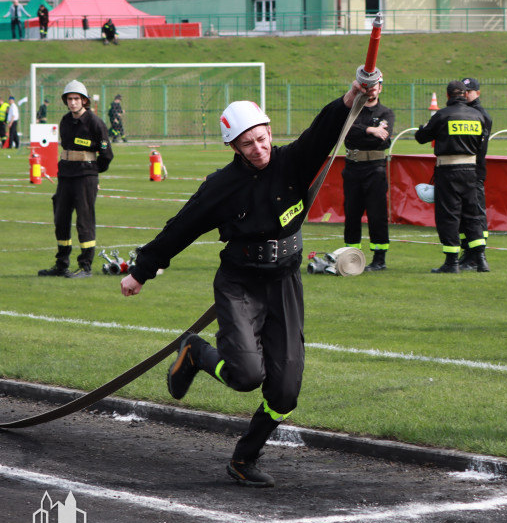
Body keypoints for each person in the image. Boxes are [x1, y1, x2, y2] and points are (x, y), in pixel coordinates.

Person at [119, 78, 376, 488]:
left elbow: (325, 128)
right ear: (234, 147)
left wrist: (355, 96)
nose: (259, 149)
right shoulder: (220, 187)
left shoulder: (294, 161)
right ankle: (196, 351)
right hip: (240, 286)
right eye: (248, 144)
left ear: (270, 132)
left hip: (285, 284)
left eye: (262, 138)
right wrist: (140, 271)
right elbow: (180, 228)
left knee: (285, 393)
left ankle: (244, 460)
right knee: (244, 375)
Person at [37, 80, 113, 278]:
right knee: (61, 219)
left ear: (84, 101)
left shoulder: (95, 123)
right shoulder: (65, 121)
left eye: (76, 99)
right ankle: (61, 263)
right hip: (66, 176)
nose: (72, 103)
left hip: (85, 177)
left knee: (84, 220)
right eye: (69, 99)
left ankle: (85, 266)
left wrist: (93, 173)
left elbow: (106, 155)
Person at [415, 81, 488, 274]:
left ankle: (451, 261)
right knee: (472, 214)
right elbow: (482, 145)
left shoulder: (443, 115)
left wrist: (424, 128)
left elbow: (422, 137)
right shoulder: (477, 115)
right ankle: (480, 259)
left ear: (447, 96)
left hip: (448, 170)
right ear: (465, 95)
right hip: (471, 170)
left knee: (449, 215)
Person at [341, 73, 394, 271]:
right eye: (367, 85)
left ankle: (379, 258)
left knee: (376, 214)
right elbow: (345, 129)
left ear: (380, 87)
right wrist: (371, 130)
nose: (371, 89)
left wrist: (360, 132)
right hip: (352, 167)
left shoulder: (387, 113)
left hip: (375, 169)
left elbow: (384, 139)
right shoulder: (352, 110)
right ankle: (351, 255)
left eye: (375, 85)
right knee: (351, 212)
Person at [460, 76, 492, 272]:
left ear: (477, 93)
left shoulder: (481, 115)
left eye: (469, 92)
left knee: (476, 213)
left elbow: (480, 149)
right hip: (465, 171)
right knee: (464, 214)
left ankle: (479, 255)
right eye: (463, 92)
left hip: (474, 170)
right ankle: (468, 253)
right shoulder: (463, 112)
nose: (465, 95)